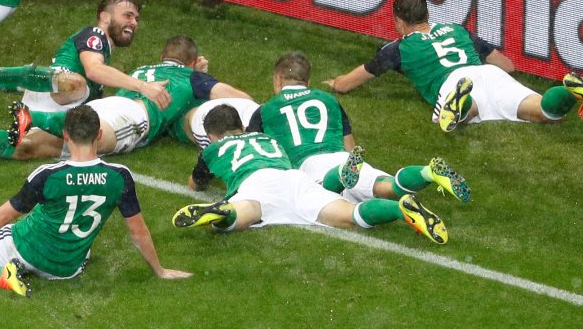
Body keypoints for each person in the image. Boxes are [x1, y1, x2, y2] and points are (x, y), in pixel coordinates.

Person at [0, 105, 190, 296]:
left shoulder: (48, 175)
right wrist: (160, 270)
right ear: (98, 135)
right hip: (67, 268)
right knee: (75, 237)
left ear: (65, 136)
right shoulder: (120, 177)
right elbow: (138, 231)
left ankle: (2, 275)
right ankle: (35, 263)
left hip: (28, 248)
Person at [0, 35, 252, 170]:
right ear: (192, 62)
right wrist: (205, 80)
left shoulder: (142, 70)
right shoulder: (192, 80)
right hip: (130, 119)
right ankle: (34, 115)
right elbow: (242, 100)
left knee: (34, 148)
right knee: (96, 143)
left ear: (163, 56)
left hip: (105, 108)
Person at [324, 0, 583, 132]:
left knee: (455, 122)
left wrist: (336, 83)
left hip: (451, 83)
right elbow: (507, 66)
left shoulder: (397, 48)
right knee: (544, 112)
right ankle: (570, 89)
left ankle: (462, 104)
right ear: (428, 15)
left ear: (399, 22)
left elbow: (350, 83)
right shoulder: (456, 29)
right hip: (487, 73)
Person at [173, 104, 448, 244]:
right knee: (351, 216)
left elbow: (195, 183)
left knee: (241, 217)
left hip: (255, 186)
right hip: (292, 179)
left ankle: (223, 213)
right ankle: (400, 208)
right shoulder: (266, 138)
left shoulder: (212, 150)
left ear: (210, 135)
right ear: (242, 126)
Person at [239, 51, 470, 206]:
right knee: (384, 187)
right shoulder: (329, 101)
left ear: (278, 79)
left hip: (310, 167)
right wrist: (351, 163)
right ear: (307, 82)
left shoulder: (265, 111)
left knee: (329, 205)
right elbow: (350, 147)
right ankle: (427, 172)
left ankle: (344, 181)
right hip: (341, 157)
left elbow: (257, 160)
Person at [0, 0, 171, 113]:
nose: (134, 22)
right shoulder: (94, 34)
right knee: (79, 83)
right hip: (59, 87)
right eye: (128, 15)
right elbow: (94, 70)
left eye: (137, 19)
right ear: (104, 17)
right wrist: (141, 86)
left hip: (55, 108)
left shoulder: (105, 50)